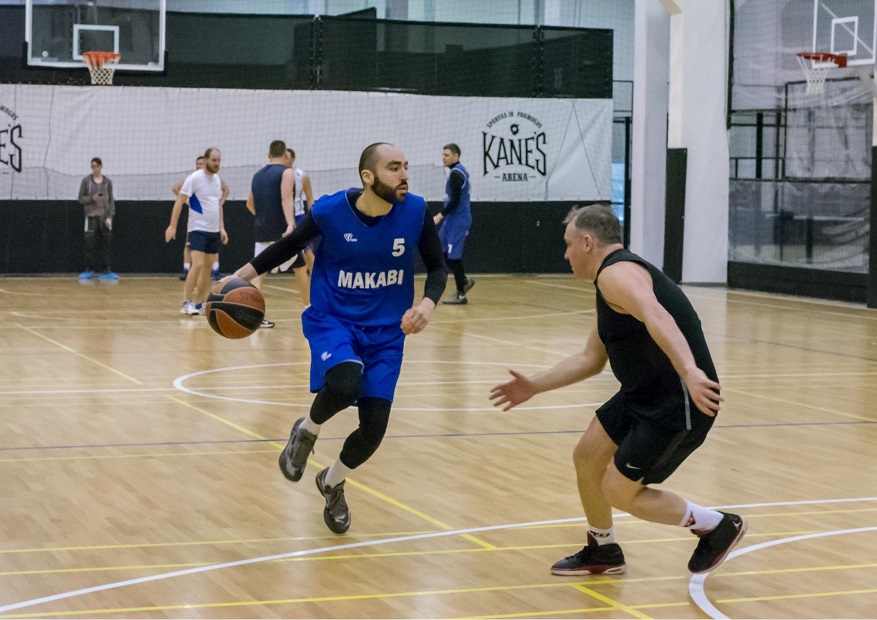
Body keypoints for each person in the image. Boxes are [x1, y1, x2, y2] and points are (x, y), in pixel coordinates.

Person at [489, 204, 746, 577]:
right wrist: (534, 386)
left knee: (619, 491)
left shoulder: (617, 274)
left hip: (677, 400)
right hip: (643, 393)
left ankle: (717, 526)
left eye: (568, 244)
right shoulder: (609, 282)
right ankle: (603, 549)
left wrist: (690, 371)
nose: (566, 254)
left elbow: (657, 315)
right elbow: (590, 359)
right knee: (587, 456)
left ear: (587, 242)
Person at [225, 142, 447, 534]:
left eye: (406, 167)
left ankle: (331, 481)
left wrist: (427, 304)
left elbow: (438, 267)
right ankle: (306, 431)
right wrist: (239, 277)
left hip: (387, 332)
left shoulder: (415, 211)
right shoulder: (330, 211)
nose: (404, 175)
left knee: (374, 430)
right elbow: (288, 246)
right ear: (368, 176)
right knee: (345, 383)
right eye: (394, 167)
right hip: (334, 319)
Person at [246, 140, 310, 328]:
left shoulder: (257, 175)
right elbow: (286, 197)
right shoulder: (287, 172)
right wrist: (290, 224)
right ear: (285, 155)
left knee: (258, 273)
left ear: (269, 155)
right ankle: (310, 310)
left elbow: (250, 204)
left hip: (261, 229)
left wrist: (263, 217)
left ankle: (254, 315)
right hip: (282, 231)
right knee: (301, 269)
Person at [165, 147, 228, 315]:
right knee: (197, 264)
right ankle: (186, 302)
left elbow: (217, 205)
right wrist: (172, 226)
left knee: (207, 268)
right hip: (198, 228)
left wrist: (222, 228)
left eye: (219, 161)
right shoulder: (194, 178)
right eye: (214, 160)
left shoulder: (217, 179)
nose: (217, 163)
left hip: (214, 230)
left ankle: (200, 303)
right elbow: (180, 200)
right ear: (206, 160)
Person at [173, 155, 228, 282]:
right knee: (189, 245)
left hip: (211, 220)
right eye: (197, 164)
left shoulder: (215, 178)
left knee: (212, 248)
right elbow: (176, 189)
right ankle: (186, 270)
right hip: (196, 219)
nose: (199, 166)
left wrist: (220, 203)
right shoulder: (192, 178)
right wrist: (187, 201)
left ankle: (215, 270)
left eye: (201, 163)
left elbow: (226, 190)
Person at [434, 143, 474, 304]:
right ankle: (464, 281)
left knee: (453, 257)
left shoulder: (456, 174)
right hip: (451, 219)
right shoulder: (456, 172)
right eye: (443, 155)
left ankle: (461, 294)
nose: (443, 158)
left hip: (458, 220)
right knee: (441, 251)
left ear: (456, 156)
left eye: (447, 155)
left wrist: (439, 215)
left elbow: (455, 201)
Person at [77, 157, 117, 280]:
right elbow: (80, 198)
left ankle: (106, 270)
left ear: (100, 166)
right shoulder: (86, 181)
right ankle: (89, 269)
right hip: (91, 217)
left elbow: (111, 199)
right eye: (92, 167)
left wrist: (110, 216)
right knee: (89, 244)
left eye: (96, 166)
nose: (94, 169)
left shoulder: (107, 182)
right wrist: (91, 198)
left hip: (104, 217)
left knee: (106, 244)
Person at [288, 148, 317, 276]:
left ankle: (316, 277)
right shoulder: (278, 174)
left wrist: (313, 216)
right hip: (282, 218)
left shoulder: (302, 176)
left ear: (293, 159)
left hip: (298, 216)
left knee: (307, 251)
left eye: (287, 157)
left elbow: (309, 197)